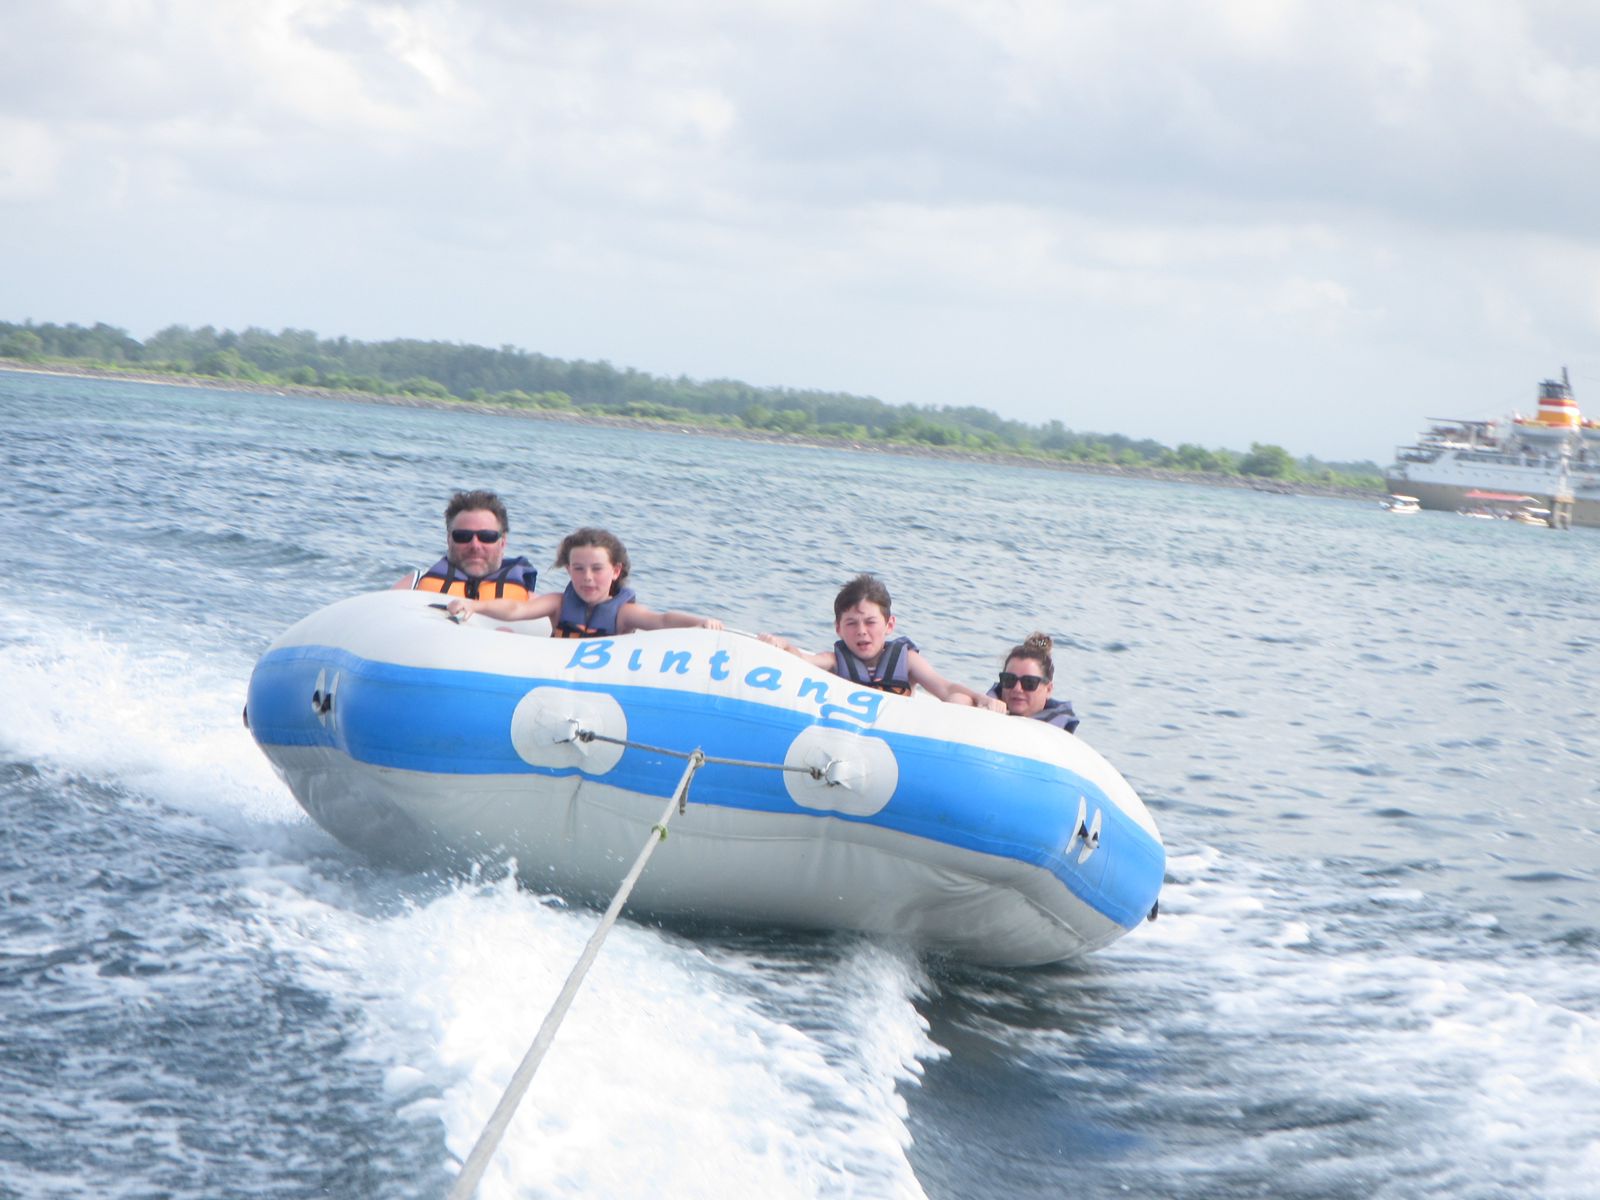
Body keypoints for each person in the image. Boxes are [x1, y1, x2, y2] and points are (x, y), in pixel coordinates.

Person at [760, 573, 1002, 708]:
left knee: (960, 699)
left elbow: (945, 687)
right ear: (838, 629)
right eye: (851, 624)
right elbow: (802, 660)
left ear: (889, 625)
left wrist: (982, 698)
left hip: (899, 736)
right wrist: (781, 644)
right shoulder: (834, 661)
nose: (862, 631)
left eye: (870, 622)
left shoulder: (906, 660)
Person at [447, 526, 723, 635]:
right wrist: (475, 606)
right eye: (578, 568)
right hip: (553, 676)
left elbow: (662, 620)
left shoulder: (624, 614)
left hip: (600, 685)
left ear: (616, 571)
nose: (587, 578)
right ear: (568, 570)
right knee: (504, 635)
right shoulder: (557, 603)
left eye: (597, 569)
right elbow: (517, 609)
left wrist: (700, 623)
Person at [393, 490, 539, 600]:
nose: (475, 545)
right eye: (463, 536)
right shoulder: (411, 587)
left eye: (487, 537)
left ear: (503, 542)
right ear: (449, 539)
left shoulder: (531, 604)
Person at [982, 632, 1080, 733]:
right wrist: (978, 698)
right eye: (1009, 680)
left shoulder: (1059, 738)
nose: (1017, 689)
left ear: (1049, 690)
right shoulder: (981, 712)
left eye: (1029, 682)